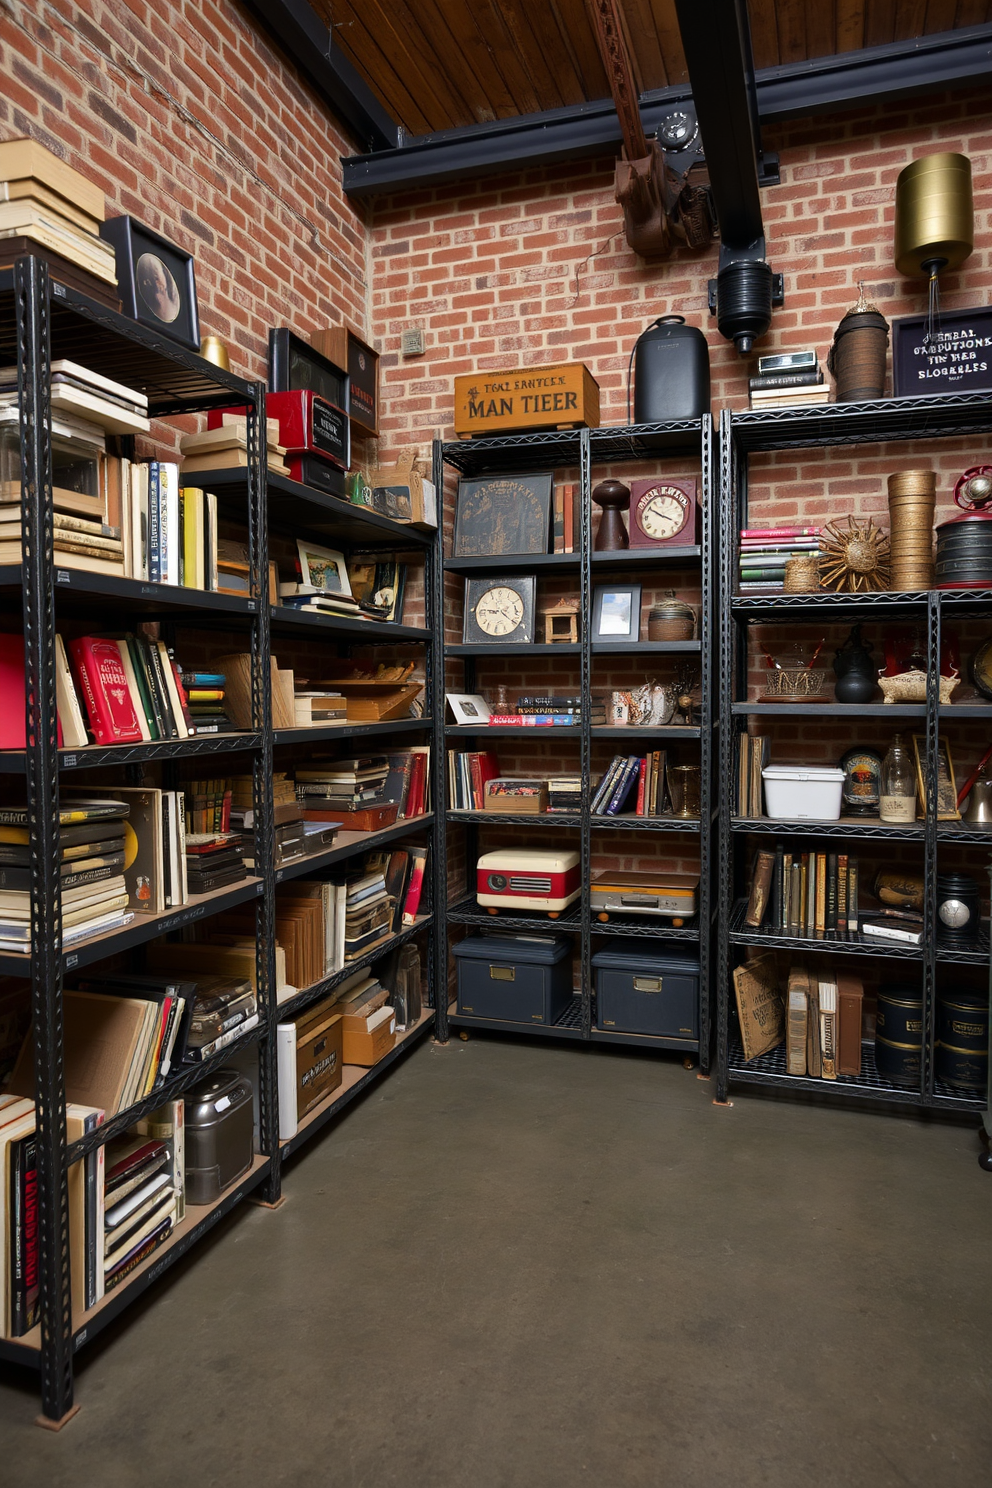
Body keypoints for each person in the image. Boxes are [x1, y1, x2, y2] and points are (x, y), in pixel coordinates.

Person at [136, 252, 181, 324]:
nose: (158, 283)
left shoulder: (172, 302)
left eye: (157, 275)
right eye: (153, 278)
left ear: (164, 274)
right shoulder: (150, 306)